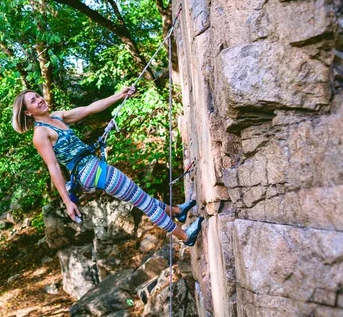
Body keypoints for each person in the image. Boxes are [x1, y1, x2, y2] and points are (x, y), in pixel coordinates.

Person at [11, 87, 203, 246]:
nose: (39, 100)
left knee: (138, 195)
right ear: (28, 112)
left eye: (37, 96)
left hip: (95, 167)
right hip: (90, 173)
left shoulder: (57, 117)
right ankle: (185, 237)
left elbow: (90, 108)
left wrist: (119, 95)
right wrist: (68, 202)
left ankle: (178, 211)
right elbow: (53, 167)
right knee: (143, 201)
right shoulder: (40, 134)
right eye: (33, 101)